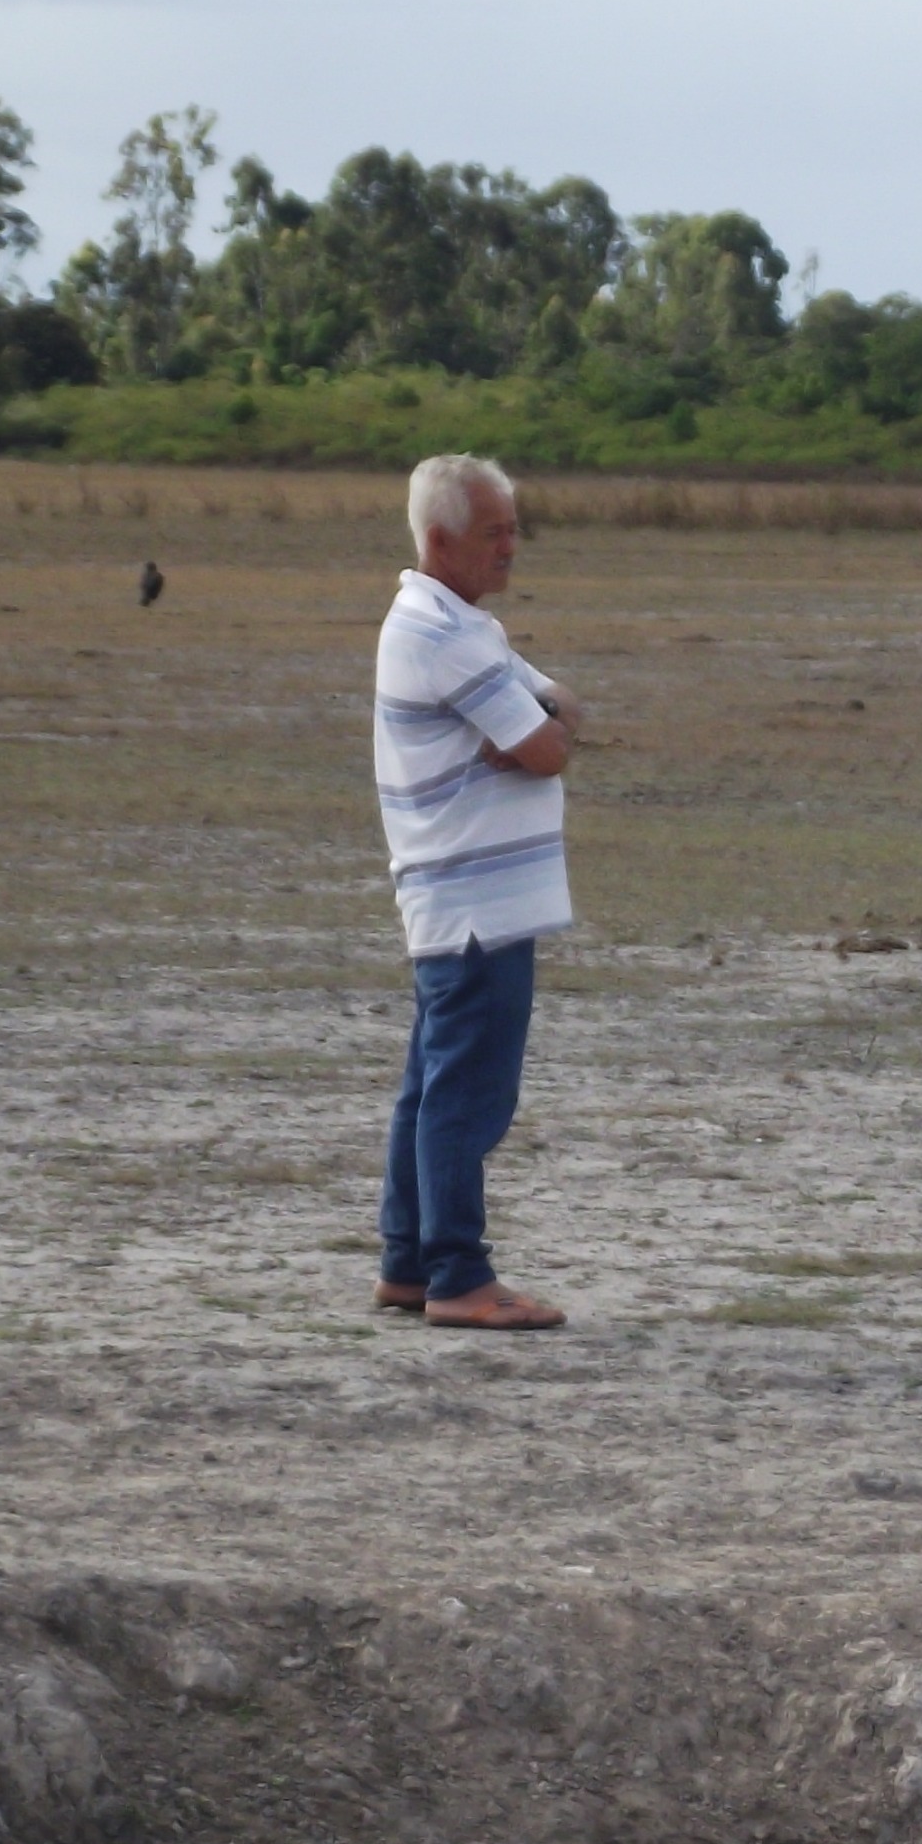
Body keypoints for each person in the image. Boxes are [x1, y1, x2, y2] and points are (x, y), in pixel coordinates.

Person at [372, 453, 575, 1330]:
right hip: (473, 906)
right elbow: (552, 742)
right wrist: (543, 728)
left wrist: (546, 724)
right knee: (467, 1094)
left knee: (432, 1085)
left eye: (512, 528)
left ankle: (410, 1263)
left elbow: (558, 711)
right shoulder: (442, 633)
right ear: (439, 539)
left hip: (461, 899)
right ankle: (458, 1274)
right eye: (494, 533)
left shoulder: (448, 621)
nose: (511, 548)